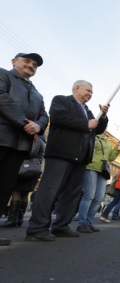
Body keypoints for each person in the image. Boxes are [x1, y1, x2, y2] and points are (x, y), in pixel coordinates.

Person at [26, 80, 109, 241]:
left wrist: (103, 117)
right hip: (61, 154)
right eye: (88, 90)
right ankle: (37, 228)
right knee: (50, 190)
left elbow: (97, 129)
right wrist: (85, 124)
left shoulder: (88, 111)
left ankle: (61, 226)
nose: (90, 94)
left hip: (81, 158)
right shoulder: (61, 101)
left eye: (92, 92)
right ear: (77, 88)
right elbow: (59, 118)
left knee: (72, 194)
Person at [0, 52, 49, 246]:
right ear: (14, 62)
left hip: (20, 146)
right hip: (2, 138)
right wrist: (24, 122)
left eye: (35, 64)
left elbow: (44, 115)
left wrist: (38, 126)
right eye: (27, 61)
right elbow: (1, 97)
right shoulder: (4, 75)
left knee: (4, 188)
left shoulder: (37, 93)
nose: (31, 65)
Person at [76, 135, 120, 233]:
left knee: (98, 197)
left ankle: (88, 222)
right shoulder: (92, 137)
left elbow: (110, 158)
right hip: (91, 167)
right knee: (89, 195)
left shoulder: (109, 144)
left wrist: (117, 149)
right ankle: (81, 223)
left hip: (103, 170)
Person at [1, 135, 46, 228]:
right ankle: (19, 218)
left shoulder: (35, 139)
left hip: (23, 169)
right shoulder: (42, 140)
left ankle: (13, 218)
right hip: (32, 170)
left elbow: (30, 152)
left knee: (16, 191)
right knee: (24, 194)